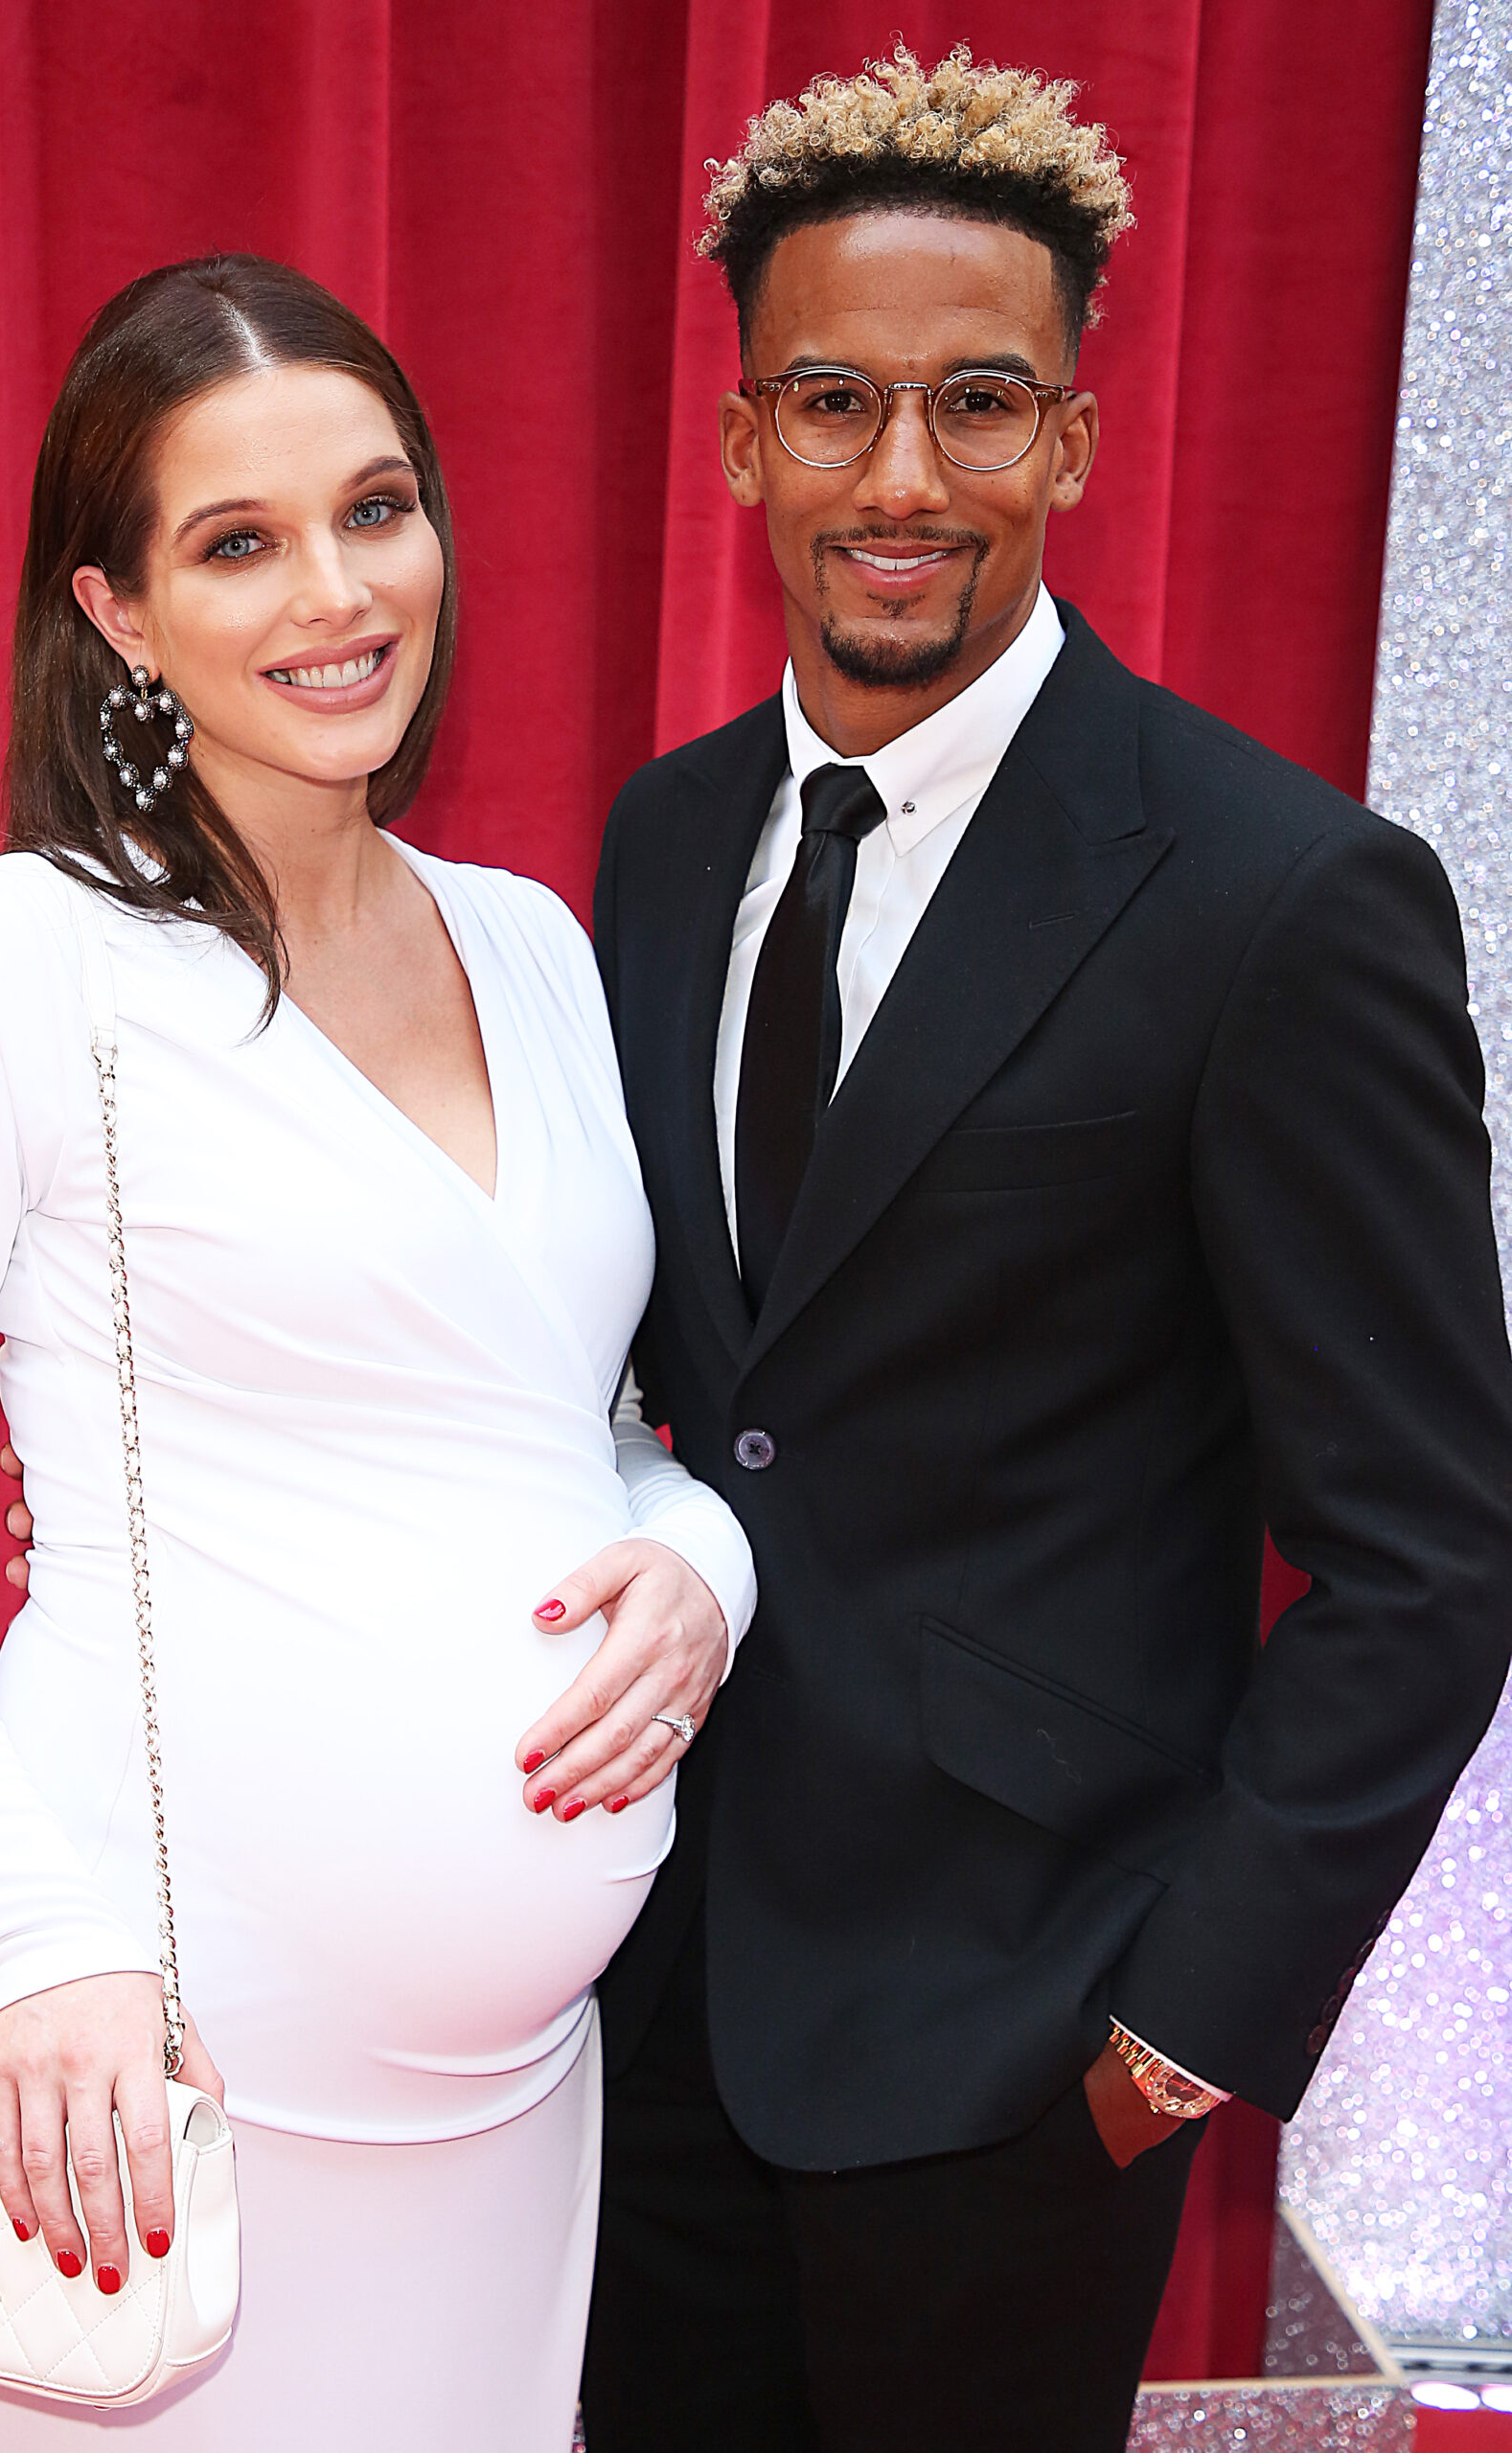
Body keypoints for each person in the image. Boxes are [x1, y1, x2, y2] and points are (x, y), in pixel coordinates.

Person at [578, 44, 1512, 2453]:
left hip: (1018, 2041)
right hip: (637, 1999)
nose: (902, 480)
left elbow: (1427, 1548)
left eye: (978, 404)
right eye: (835, 402)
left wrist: (1178, 2024)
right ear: (744, 439)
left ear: (1072, 442)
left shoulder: (1281, 896)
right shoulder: (662, 848)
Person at [0, 254, 754, 2453]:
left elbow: (595, 1429)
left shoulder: (537, 944)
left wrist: (708, 1569)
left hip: (511, 2110)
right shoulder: (8, 962)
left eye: (375, 506)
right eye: (239, 539)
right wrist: (43, 1940)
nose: (337, 590)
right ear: (113, 608)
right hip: (145, 2087)